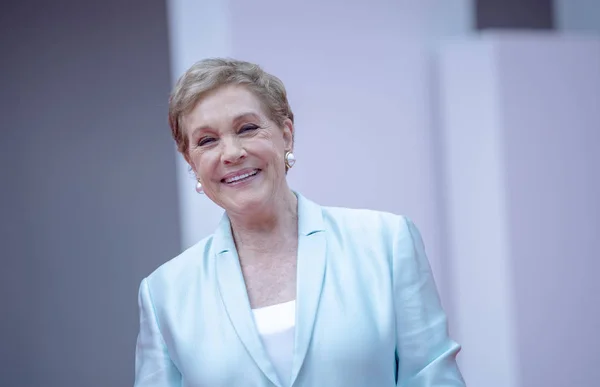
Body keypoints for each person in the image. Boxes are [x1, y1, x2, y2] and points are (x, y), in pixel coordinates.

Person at [134, 58, 465, 387]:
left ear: (286, 135)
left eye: (247, 129)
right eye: (207, 140)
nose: (231, 152)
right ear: (191, 160)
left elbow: (433, 379)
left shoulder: (386, 244)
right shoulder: (165, 293)